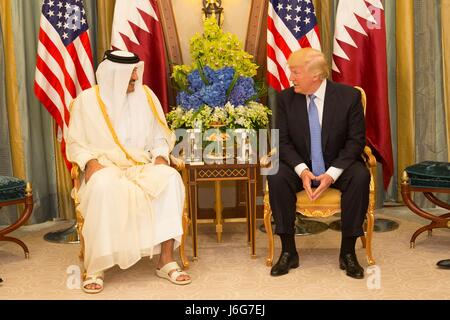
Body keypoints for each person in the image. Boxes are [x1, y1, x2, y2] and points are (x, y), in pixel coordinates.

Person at [66, 50, 191, 293]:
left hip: (141, 165)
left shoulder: (146, 96)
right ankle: (96, 266)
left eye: (136, 73)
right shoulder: (87, 101)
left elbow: (159, 136)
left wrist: (161, 157)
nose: (136, 78)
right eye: (131, 76)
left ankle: (165, 259)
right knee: (102, 186)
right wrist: (89, 162)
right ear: (114, 76)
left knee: (170, 179)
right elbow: (75, 142)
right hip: (105, 165)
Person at [268, 48, 369, 279]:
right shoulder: (284, 99)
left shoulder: (348, 97)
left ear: (315, 75)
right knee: (275, 174)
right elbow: (281, 141)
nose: (290, 77)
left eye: (295, 72)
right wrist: (302, 171)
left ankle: (348, 253)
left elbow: (356, 141)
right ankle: (288, 251)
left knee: (360, 176)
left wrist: (331, 174)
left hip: (337, 164)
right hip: (298, 164)